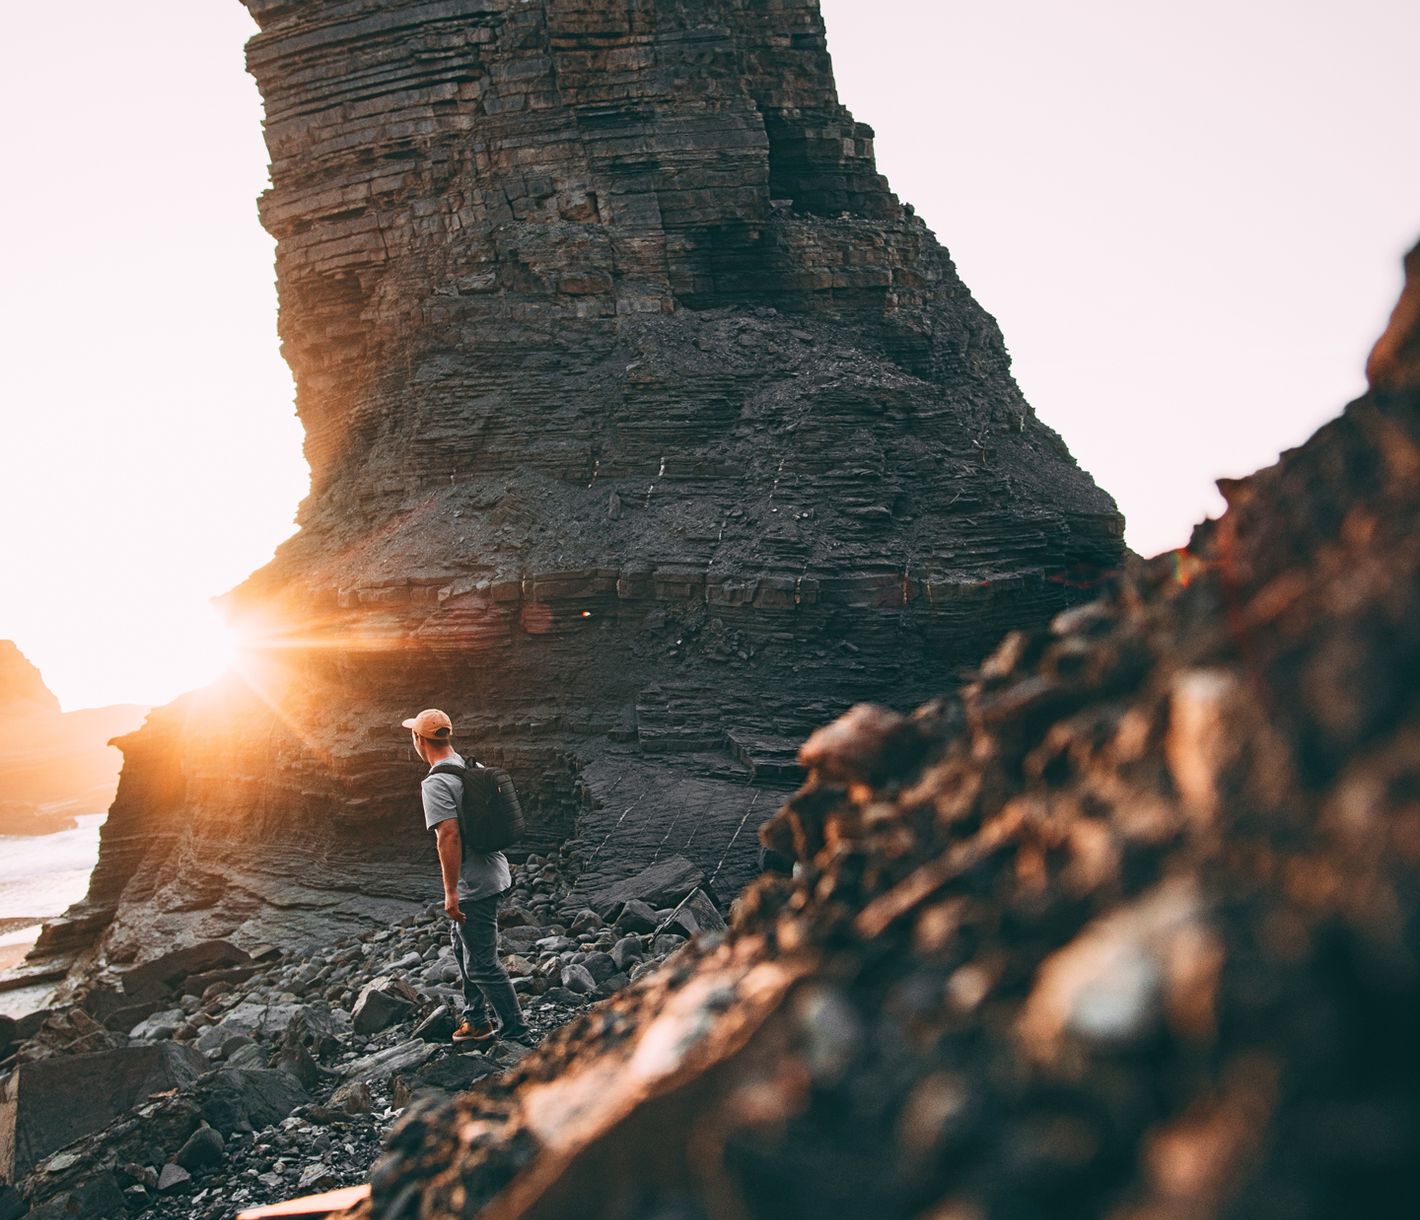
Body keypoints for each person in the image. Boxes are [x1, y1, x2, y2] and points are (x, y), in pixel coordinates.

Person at [402, 707, 533, 1046]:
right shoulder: (469, 766)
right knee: (462, 948)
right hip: (494, 872)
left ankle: (516, 1034)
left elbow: (448, 836)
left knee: (483, 965)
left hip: (474, 885)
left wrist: (451, 892)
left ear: (419, 740)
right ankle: (476, 1020)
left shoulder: (435, 783)